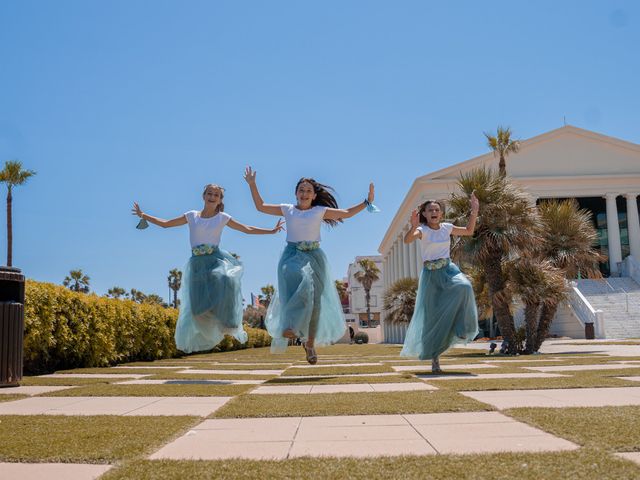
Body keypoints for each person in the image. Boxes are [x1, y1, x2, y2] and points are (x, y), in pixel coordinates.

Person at [243, 166, 377, 364]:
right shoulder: (287, 209)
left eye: (308, 191)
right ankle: (290, 326)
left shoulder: (319, 211)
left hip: (315, 257)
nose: (304, 193)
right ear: (296, 193)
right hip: (292, 255)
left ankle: (310, 343)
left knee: (315, 304)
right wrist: (253, 185)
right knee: (297, 279)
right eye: (301, 190)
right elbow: (260, 206)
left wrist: (367, 202)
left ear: (314, 196)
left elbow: (347, 213)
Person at [132, 184, 283, 353]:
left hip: (215, 259)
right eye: (209, 193)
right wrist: (143, 215)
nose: (212, 196)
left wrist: (270, 231)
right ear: (203, 196)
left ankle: (229, 322)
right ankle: (211, 326)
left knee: (225, 277)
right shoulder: (191, 216)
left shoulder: (222, 217)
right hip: (196, 264)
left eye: (216, 195)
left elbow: (246, 229)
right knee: (197, 311)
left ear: (220, 200)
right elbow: (167, 224)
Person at [400, 193, 479, 373]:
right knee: (431, 317)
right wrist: (413, 226)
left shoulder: (447, 228)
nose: (434, 212)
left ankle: (462, 327)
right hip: (431, 276)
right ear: (425, 214)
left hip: (449, 270)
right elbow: (407, 240)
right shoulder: (422, 230)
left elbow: (469, 231)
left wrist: (474, 211)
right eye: (430, 210)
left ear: (441, 214)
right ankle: (435, 359)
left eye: (437, 209)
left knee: (464, 286)